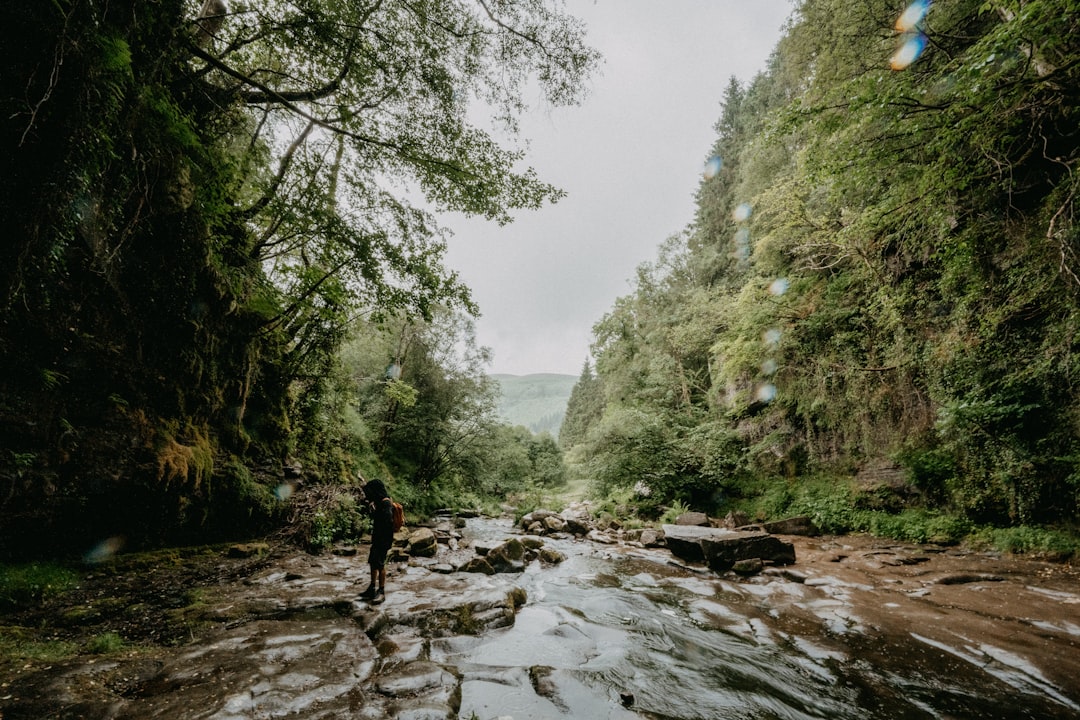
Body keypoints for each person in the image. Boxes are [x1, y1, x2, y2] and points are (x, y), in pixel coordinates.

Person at [359, 477, 393, 603]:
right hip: (377, 538)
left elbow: (387, 524)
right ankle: (372, 588)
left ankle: (381, 591)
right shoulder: (380, 503)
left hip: (383, 540)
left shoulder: (386, 504)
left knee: (380, 564)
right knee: (373, 562)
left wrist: (383, 543)